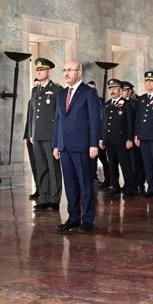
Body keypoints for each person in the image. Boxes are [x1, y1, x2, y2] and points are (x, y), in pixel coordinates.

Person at [52, 61, 101, 233]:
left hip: (82, 146)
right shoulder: (61, 94)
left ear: (79, 73)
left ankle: (87, 219)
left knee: (85, 185)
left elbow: (95, 121)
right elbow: (58, 120)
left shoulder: (89, 93)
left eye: (70, 70)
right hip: (64, 147)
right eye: (64, 70)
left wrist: (93, 144)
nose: (66, 73)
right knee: (70, 185)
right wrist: (56, 145)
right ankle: (73, 218)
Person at [24, 58, 62, 210]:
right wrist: (31, 133)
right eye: (37, 70)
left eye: (42, 70)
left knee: (53, 169)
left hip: (51, 136)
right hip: (37, 136)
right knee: (41, 168)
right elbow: (32, 114)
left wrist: (58, 139)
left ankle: (55, 200)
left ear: (49, 71)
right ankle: (44, 198)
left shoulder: (57, 90)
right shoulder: (35, 90)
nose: (38, 72)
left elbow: (59, 116)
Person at [100, 79, 135, 197]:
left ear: (120, 90)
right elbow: (104, 122)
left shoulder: (126, 104)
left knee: (125, 165)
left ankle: (129, 188)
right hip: (109, 140)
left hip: (121, 140)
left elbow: (130, 123)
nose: (112, 91)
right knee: (112, 165)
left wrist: (129, 139)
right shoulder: (107, 104)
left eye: (115, 88)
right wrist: (102, 138)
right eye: (110, 88)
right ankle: (115, 186)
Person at [23, 78, 41, 199]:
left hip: (40, 138)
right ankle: (38, 188)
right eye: (34, 85)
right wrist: (26, 135)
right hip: (30, 138)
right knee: (34, 166)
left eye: (38, 85)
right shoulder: (31, 101)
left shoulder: (45, 101)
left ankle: (45, 190)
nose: (35, 88)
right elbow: (28, 119)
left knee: (42, 166)